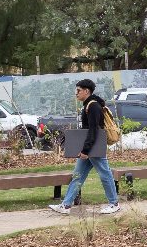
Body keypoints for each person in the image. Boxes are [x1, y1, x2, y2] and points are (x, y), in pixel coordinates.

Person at [49, 79, 120, 215]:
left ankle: (114, 203)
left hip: (94, 148)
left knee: (105, 175)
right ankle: (66, 205)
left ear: (87, 91)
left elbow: (94, 130)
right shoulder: (89, 104)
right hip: (90, 148)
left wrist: (86, 150)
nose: (76, 93)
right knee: (78, 176)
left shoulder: (93, 106)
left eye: (78, 90)